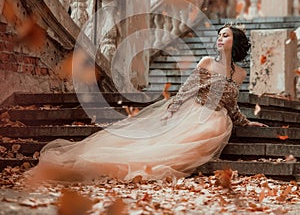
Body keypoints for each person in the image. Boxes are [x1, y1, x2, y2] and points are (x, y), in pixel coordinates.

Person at [25, 24, 267, 183]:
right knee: (162, 150)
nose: (219, 39)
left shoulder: (240, 74)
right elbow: (186, 91)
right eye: (218, 35)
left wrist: (248, 122)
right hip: (195, 113)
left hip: (217, 121)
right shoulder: (206, 62)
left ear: (235, 42)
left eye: (225, 36)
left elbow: (231, 105)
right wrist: (171, 112)